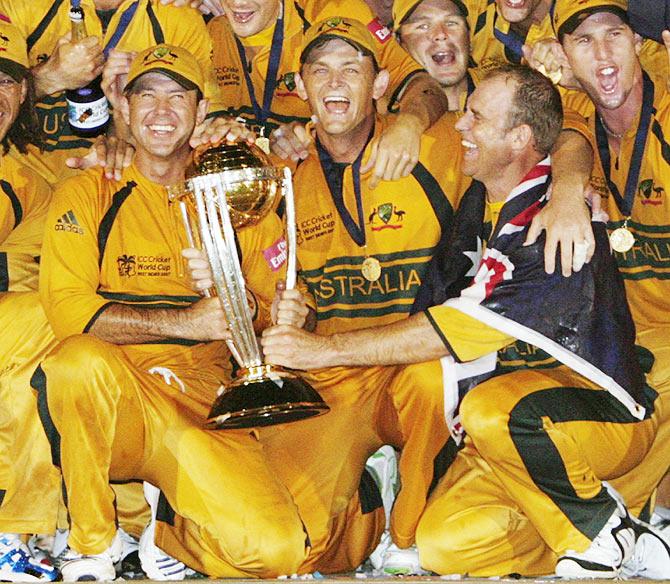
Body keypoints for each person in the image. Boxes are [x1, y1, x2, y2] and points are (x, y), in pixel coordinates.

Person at [262, 64, 663, 578]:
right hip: (508, 430)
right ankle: (607, 534)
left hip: (590, 413)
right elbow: (561, 133)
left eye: (476, 117)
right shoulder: (482, 195)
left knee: (491, 407)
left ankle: (601, 524)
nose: (459, 126)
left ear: (519, 137)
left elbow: (457, 330)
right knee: (444, 545)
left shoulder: (552, 222)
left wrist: (322, 351)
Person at [34, 44, 310, 582]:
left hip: (205, 400)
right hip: (122, 397)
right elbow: (70, 311)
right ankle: (93, 544)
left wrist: (246, 304)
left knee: (276, 552)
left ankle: (167, 530)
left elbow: (271, 315)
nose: (162, 112)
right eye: (147, 96)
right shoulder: (87, 191)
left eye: (177, 97)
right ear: (123, 106)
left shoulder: (235, 190)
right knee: (74, 361)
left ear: (201, 110)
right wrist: (184, 322)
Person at [551, 0, 670, 572]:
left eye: (614, 35)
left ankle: (638, 518)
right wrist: (568, 190)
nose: (602, 53)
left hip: (661, 343)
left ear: (639, 43)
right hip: (621, 338)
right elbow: (569, 138)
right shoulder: (575, 113)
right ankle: (608, 520)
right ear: (565, 58)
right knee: (458, 540)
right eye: (583, 41)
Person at [207, 0, 448, 187]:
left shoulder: (333, 12)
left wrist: (409, 125)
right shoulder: (207, 32)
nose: (238, 3)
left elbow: (423, 86)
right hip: (255, 191)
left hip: (334, 183)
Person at [0, 0, 223, 184]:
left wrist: (130, 120)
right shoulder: (21, 5)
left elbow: (200, 129)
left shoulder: (178, 18)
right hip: (21, 185)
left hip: (122, 185)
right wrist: (49, 77)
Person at [0, 18, 60, 584]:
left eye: (8, 80)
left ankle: (15, 529)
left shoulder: (32, 171)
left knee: (50, 330)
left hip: (13, 331)